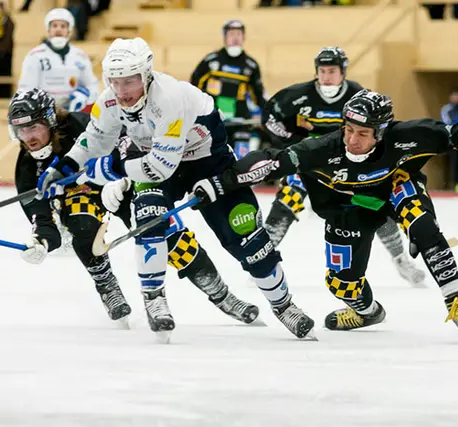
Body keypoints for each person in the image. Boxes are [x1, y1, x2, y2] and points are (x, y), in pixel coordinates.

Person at [190, 89, 458, 342]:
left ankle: (456, 302)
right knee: (341, 284)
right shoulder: (322, 149)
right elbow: (271, 159)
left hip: (395, 190)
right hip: (350, 211)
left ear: (381, 132)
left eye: (362, 134)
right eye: (348, 130)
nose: (352, 140)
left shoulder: (408, 137)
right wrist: (220, 183)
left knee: (425, 229)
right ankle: (367, 311)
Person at [37, 38, 315, 340]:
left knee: (247, 236)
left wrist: (113, 170)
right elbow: (95, 139)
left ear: (146, 75)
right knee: (149, 219)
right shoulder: (109, 100)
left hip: (207, 162)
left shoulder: (168, 97)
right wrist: (64, 166)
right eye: (114, 81)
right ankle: (155, 300)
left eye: (129, 81)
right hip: (156, 160)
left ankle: (285, 306)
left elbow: (160, 167)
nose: (121, 91)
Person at [12, 88, 260, 326]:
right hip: (82, 196)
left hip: (121, 183)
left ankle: (221, 294)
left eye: (33, 127)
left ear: (50, 120)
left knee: (169, 234)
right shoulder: (25, 169)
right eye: (20, 131)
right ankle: (107, 286)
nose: (29, 138)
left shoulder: (83, 125)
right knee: (81, 224)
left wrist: (123, 179)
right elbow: (42, 220)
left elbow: (131, 144)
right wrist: (41, 242)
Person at [262, 47, 425, 287]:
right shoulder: (298, 95)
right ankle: (263, 258)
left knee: (373, 207)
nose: (326, 76)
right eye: (322, 71)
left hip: (350, 165)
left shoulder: (358, 94)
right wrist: (291, 140)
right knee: (287, 199)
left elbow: (382, 127)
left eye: (332, 71)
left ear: (343, 72)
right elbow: (270, 116)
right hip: (311, 163)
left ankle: (400, 259)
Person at [190, 20, 266, 159]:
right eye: (231, 34)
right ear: (224, 36)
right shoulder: (210, 60)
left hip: (240, 121)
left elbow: (259, 95)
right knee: (213, 159)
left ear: (244, 37)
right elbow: (195, 87)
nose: (235, 38)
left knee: (240, 160)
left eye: (239, 34)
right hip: (214, 120)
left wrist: (268, 113)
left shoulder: (251, 65)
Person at [18, 8, 99, 113]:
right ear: (48, 29)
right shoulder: (35, 56)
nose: (58, 30)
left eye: (63, 26)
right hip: (44, 112)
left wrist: (84, 95)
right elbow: (26, 89)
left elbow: (92, 84)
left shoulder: (80, 56)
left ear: (69, 30)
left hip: (74, 112)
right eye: (54, 26)